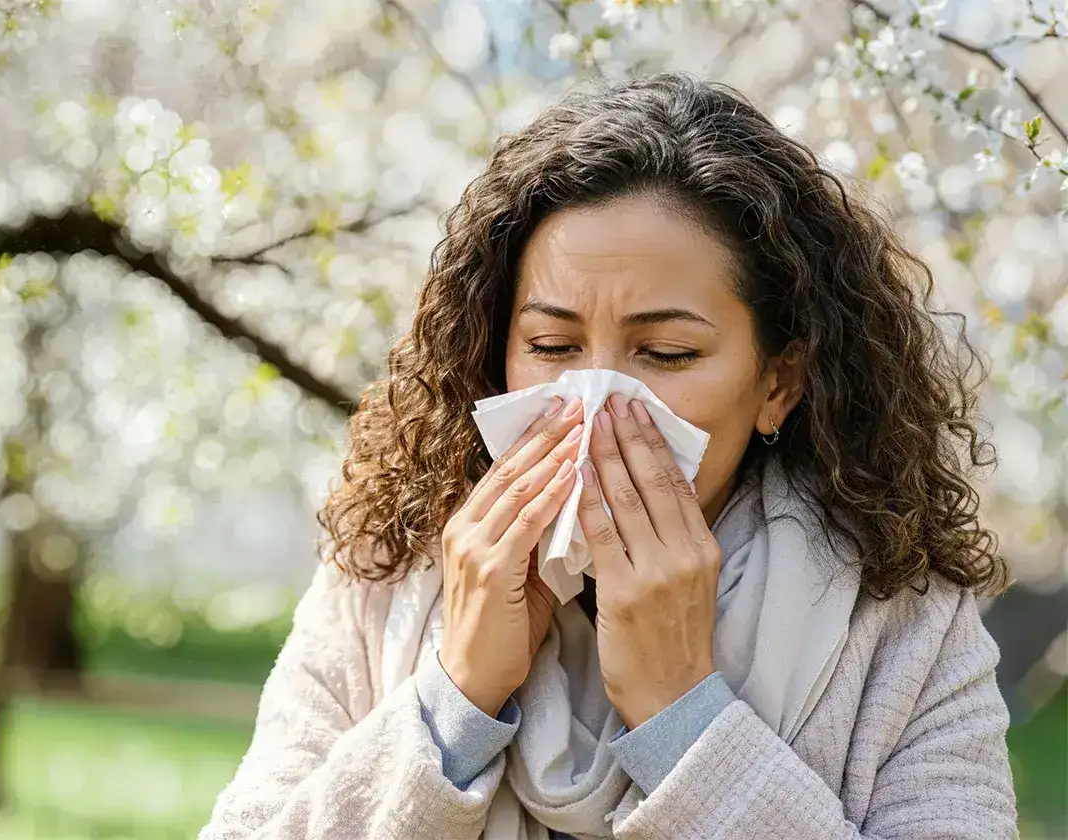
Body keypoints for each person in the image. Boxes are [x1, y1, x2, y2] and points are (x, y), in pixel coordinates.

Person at [198, 73, 1017, 839]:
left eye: (664, 353)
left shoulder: (901, 621)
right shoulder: (386, 575)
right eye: (552, 344)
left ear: (779, 381)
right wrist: (453, 699)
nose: (596, 402)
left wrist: (683, 717)